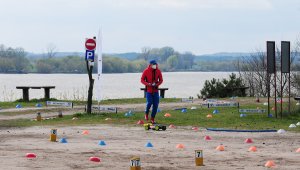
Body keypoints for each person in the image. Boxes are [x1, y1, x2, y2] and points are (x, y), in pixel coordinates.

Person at [141, 60, 163, 124]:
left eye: (156, 64)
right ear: (150, 65)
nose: (155, 65)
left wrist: (157, 84)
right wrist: (148, 84)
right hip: (149, 91)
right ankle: (146, 113)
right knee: (149, 103)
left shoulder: (158, 71)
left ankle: (152, 118)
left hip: (156, 91)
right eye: (154, 64)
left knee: (156, 105)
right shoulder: (146, 71)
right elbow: (142, 80)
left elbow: (161, 80)